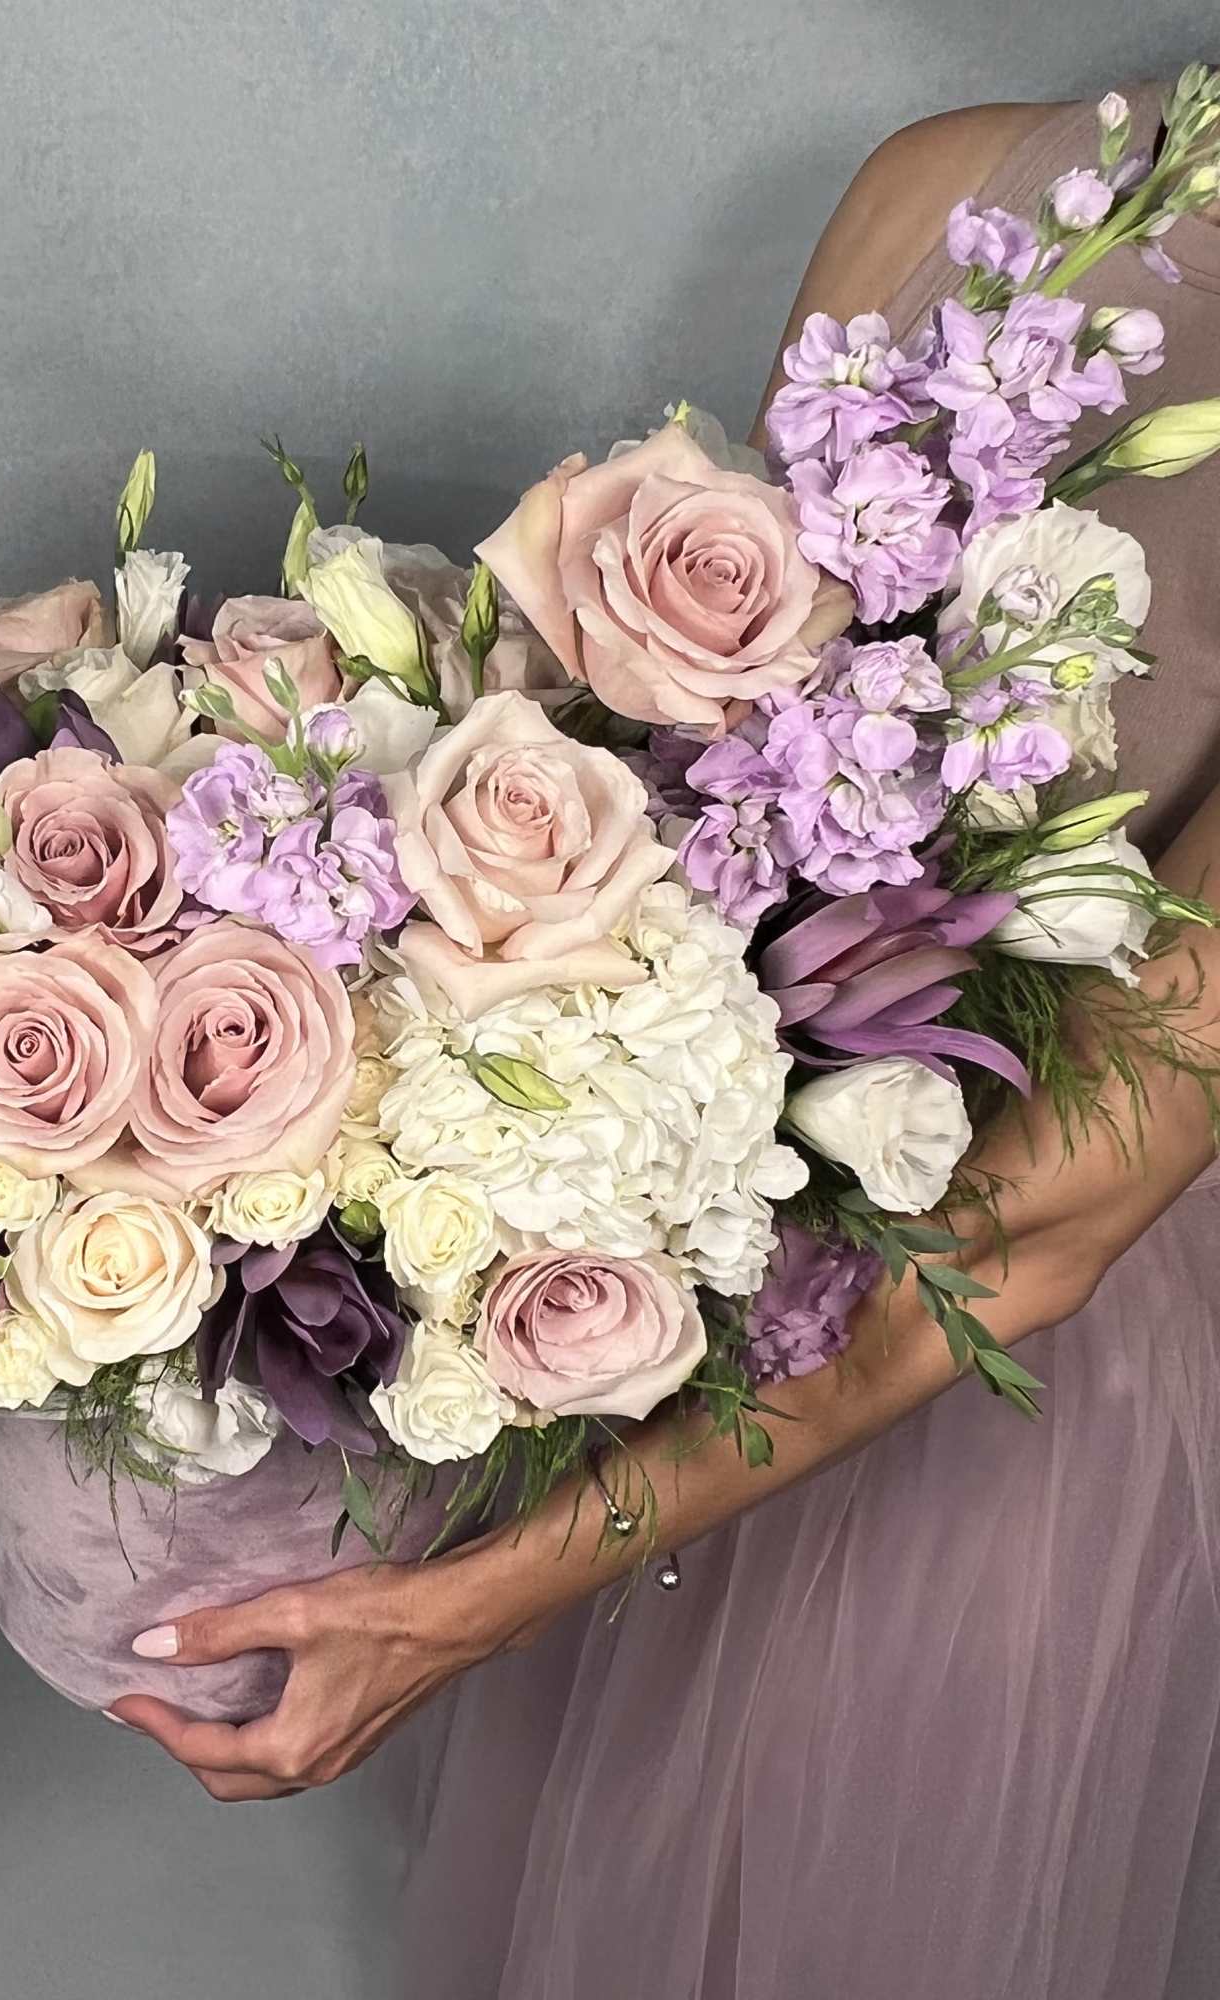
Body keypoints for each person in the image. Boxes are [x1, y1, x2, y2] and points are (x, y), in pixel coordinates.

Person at [109, 81, 1220, 1998]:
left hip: (1003, 1402)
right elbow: (700, 784)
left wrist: (471, 1603)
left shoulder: (963, 188)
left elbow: (1047, 1217)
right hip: (683, 1275)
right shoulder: (954, 191)